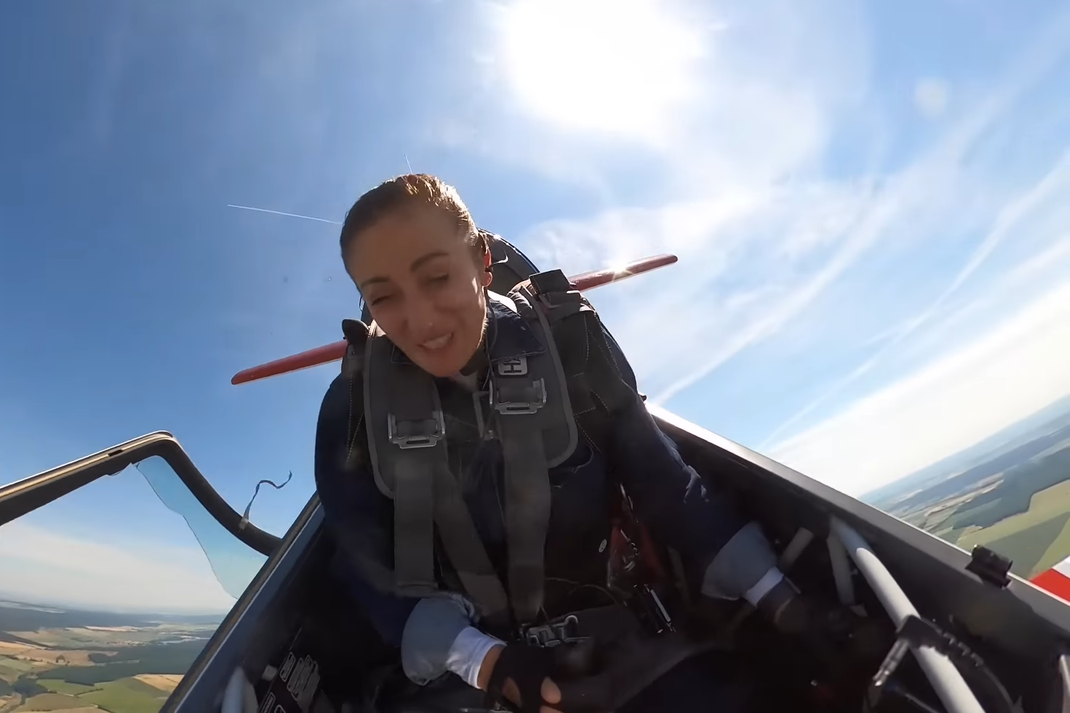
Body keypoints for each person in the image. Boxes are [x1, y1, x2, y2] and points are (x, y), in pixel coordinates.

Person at [314, 174, 807, 713]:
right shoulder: (356, 411)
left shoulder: (569, 343)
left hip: (616, 642)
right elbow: (367, 569)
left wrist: (783, 600)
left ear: (482, 262)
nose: (422, 320)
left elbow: (662, 480)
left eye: (436, 277)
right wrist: (489, 664)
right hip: (464, 675)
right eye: (383, 296)